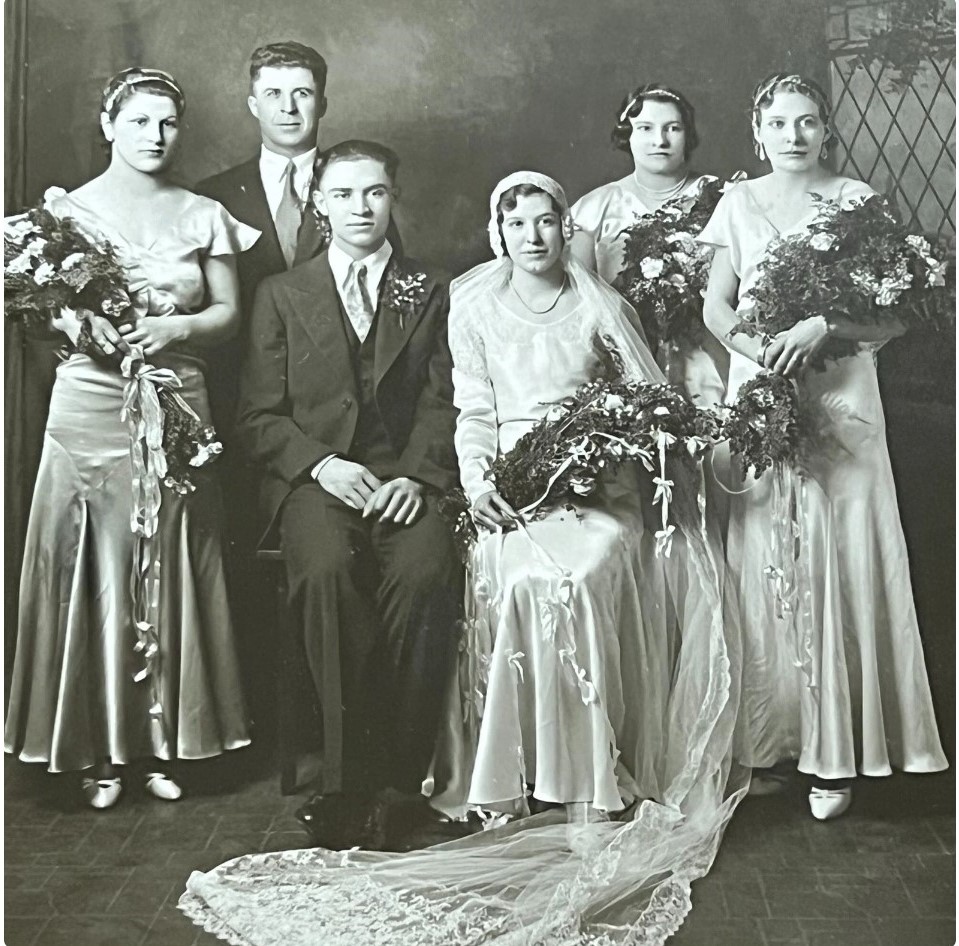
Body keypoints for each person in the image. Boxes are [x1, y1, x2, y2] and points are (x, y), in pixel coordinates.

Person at [180, 172, 744, 946]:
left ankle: (549, 782)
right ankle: (386, 786)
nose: (534, 237)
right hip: (443, 482)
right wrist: (475, 480)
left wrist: (441, 476)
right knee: (380, 573)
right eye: (518, 225)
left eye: (547, 223)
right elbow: (470, 408)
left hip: (568, 487)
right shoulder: (451, 299)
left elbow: (451, 404)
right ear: (497, 232)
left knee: (487, 575)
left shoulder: (569, 302)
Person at [4, 67, 255, 809]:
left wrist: (176, 325)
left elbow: (227, 315)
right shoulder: (61, 216)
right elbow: (36, 303)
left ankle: (159, 745)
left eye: (168, 123)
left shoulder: (202, 212)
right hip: (89, 402)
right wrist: (72, 321)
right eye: (140, 120)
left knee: (168, 554)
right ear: (109, 124)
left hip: (177, 397)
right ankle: (96, 753)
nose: (155, 135)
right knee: (95, 559)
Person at [699, 72, 948, 820]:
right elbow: (714, 304)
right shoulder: (737, 203)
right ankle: (770, 743)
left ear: (824, 131)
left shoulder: (857, 201)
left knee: (840, 551)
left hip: (841, 395)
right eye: (779, 123)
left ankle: (837, 755)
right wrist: (762, 349)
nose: (793, 136)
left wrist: (823, 328)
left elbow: (897, 318)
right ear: (757, 131)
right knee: (768, 551)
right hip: (764, 385)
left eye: (807, 122)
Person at [234, 140, 460, 848]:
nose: (360, 208)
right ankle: (346, 781)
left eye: (375, 193)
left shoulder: (434, 289)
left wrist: (416, 478)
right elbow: (258, 416)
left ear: (393, 199)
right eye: (343, 194)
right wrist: (320, 466)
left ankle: (399, 781)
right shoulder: (281, 293)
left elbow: (446, 403)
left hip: (405, 480)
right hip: (318, 483)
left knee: (425, 573)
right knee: (328, 572)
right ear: (320, 206)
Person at [570, 83, 728, 406]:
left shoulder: (722, 198)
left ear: (688, 134)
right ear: (627, 134)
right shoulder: (595, 209)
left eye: (673, 128)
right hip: (624, 359)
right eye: (645, 128)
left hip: (709, 358)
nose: (660, 140)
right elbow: (578, 305)